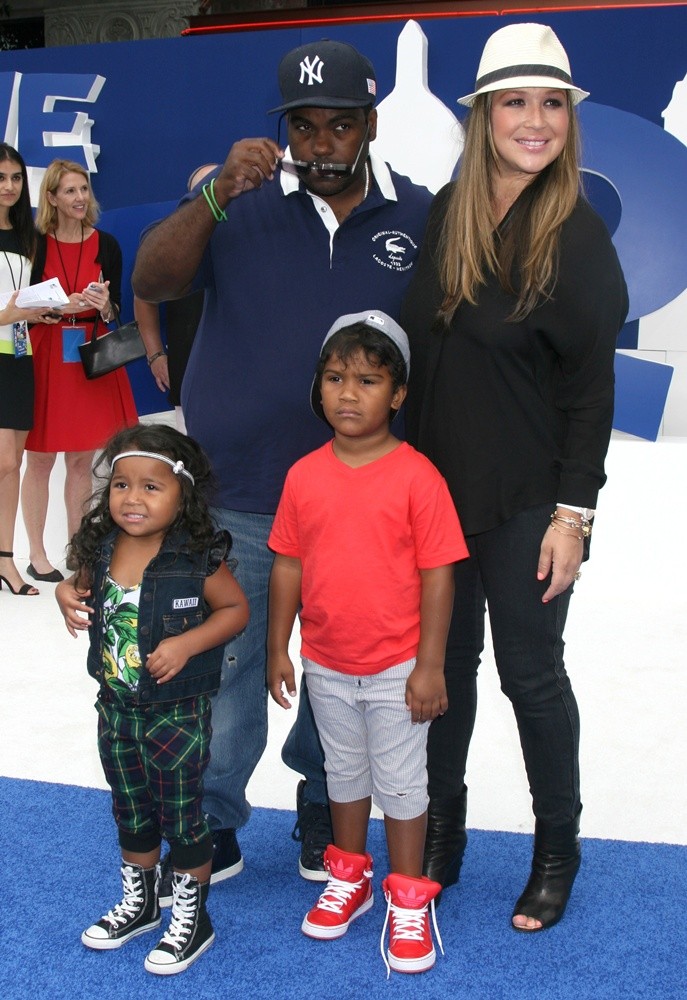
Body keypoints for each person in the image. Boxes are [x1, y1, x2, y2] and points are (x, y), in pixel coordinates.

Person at [132, 39, 433, 885]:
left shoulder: (417, 215)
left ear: (369, 125)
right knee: (223, 675)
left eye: (341, 125)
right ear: (286, 131)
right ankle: (218, 819)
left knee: (339, 673)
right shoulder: (238, 204)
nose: (322, 143)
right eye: (305, 126)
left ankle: (321, 809)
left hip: (359, 512)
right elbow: (153, 279)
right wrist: (215, 195)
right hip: (240, 496)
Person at [400, 22, 629, 932]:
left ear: (567, 117)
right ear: (483, 115)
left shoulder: (574, 238)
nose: (533, 121)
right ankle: (442, 840)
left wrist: (572, 515)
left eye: (550, 104)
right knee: (442, 673)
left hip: (529, 504)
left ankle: (553, 852)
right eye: (514, 102)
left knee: (531, 680)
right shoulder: (448, 208)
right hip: (434, 498)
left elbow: (590, 392)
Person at [267, 311, 467, 974]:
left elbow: (439, 575)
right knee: (343, 775)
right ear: (317, 387)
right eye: (334, 378)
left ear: (398, 394)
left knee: (403, 785)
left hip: (398, 665)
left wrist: (430, 666)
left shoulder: (418, 478)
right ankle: (348, 878)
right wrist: (277, 647)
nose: (347, 393)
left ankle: (409, 897)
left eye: (367, 380)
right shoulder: (302, 475)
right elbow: (288, 564)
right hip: (326, 662)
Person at [55, 422, 249, 975]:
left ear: (182, 495)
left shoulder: (196, 558)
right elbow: (79, 585)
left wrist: (187, 643)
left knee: (183, 817)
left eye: (151, 486)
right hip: (115, 711)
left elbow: (236, 611)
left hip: (177, 713)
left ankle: (194, 917)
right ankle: (140, 904)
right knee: (131, 809)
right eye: (121, 484)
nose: (132, 498)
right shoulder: (104, 546)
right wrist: (67, 593)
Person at [21, 159, 138, 583]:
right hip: (46, 354)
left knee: (81, 462)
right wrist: (55, 307)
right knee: (38, 459)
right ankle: (36, 553)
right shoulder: (33, 243)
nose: (79, 198)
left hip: (89, 357)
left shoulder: (106, 244)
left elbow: (117, 309)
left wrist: (103, 304)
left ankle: (78, 547)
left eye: (83, 190)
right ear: (51, 197)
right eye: (69, 191)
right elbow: (19, 306)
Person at [0, 144, 63, 597]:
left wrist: (40, 312)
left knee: (12, 465)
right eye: (0, 178)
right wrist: (9, 315)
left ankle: (7, 560)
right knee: (5, 461)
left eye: (16, 178)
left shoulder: (26, 238)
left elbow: (22, 303)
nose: (8, 187)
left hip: (19, 358)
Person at [134, 164, 218, 432]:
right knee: (193, 459)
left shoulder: (251, 238)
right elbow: (144, 297)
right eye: (203, 189)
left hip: (240, 375)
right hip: (186, 372)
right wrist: (156, 355)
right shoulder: (167, 241)